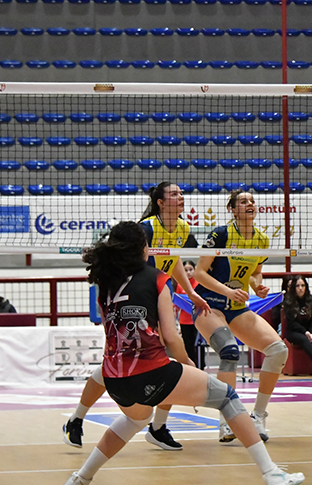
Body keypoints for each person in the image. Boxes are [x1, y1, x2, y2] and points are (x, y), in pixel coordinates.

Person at [63, 222, 303, 485]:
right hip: (152, 371)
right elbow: (170, 335)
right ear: (143, 248)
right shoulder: (157, 278)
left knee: (134, 419)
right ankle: (271, 473)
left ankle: (81, 477)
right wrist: (187, 363)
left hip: (114, 380)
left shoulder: (106, 283)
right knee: (227, 397)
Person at [64, 182, 206, 450]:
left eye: (181, 193)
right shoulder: (146, 228)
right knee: (118, 361)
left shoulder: (183, 228)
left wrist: (190, 292)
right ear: (160, 202)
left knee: (160, 363)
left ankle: (157, 427)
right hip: (134, 299)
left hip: (158, 295)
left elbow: (173, 258)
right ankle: (77, 418)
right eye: (174, 194)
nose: (180, 197)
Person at [192, 190, 291, 442]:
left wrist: (257, 286)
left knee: (278, 350)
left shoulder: (261, 239)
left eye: (252, 201)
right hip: (210, 304)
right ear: (233, 210)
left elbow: (256, 272)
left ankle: (258, 416)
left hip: (237, 308)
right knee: (229, 352)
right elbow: (199, 273)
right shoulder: (221, 235)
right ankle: (226, 422)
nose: (250, 204)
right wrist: (227, 291)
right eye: (244, 202)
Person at [282, 275, 312, 362]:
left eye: (303, 285)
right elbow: (291, 323)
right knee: (303, 339)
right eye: (297, 286)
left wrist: (311, 332)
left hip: (310, 330)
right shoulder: (288, 302)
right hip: (294, 331)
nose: (300, 288)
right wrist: (305, 332)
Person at [178, 261, 203, 368]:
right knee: (188, 345)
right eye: (186, 270)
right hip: (184, 320)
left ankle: (201, 366)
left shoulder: (199, 284)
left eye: (190, 270)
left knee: (199, 345)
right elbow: (177, 302)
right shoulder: (180, 285)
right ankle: (191, 367)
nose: (188, 272)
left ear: (194, 270)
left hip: (198, 320)